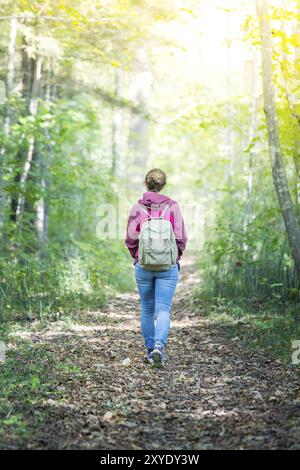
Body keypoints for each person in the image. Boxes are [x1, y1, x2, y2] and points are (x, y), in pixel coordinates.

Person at [125, 168, 187, 367]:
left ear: (146, 183)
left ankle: (150, 350)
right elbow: (181, 237)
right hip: (167, 267)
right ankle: (160, 346)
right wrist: (175, 257)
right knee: (163, 309)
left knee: (146, 309)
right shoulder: (173, 207)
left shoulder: (137, 208)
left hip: (143, 266)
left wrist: (137, 257)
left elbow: (130, 238)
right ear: (163, 185)